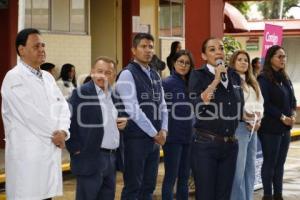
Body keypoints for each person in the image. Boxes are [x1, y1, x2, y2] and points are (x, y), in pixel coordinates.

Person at [1, 28, 71, 200]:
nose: (41, 49)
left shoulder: (47, 77)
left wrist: (63, 131)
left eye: (43, 45)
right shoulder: (13, 78)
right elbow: (30, 115)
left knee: (46, 195)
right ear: (21, 50)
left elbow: (62, 106)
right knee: (28, 194)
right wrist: (56, 134)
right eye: (36, 46)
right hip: (28, 154)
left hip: (49, 150)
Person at [188, 37, 244, 200]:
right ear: (204, 56)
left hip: (230, 145)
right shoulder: (197, 75)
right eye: (212, 49)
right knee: (206, 195)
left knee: (223, 195)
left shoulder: (234, 75)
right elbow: (196, 106)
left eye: (220, 48)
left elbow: (238, 105)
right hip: (206, 145)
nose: (218, 52)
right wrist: (216, 80)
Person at [66, 56, 127, 200]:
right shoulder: (80, 94)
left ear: (114, 75)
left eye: (108, 72)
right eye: (100, 71)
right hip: (90, 157)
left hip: (111, 158)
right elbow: (67, 121)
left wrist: (125, 122)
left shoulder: (114, 95)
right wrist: (74, 148)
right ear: (92, 72)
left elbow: (121, 115)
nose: (103, 76)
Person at [115, 32, 168, 200]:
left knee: (149, 186)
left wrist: (164, 130)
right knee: (133, 186)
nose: (148, 50)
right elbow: (133, 109)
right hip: (136, 140)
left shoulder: (155, 74)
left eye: (151, 47)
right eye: (143, 46)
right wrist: (155, 133)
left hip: (154, 140)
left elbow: (163, 105)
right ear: (133, 50)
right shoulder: (127, 74)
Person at [257, 45, 297, 200]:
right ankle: (267, 195)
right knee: (270, 163)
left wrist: (292, 115)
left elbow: (292, 100)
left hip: (285, 129)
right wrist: (282, 117)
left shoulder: (285, 78)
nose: (283, 59)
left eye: (284, 56)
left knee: (280, 163)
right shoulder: (263, 79)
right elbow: (265, 104)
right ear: (270, 58)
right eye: (279, 56)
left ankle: (278, 194)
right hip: (270, 128)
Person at [229, 50, 264, 200]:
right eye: (240, 60)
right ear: (233, 63)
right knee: (238, 171)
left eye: (246, 60)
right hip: (240, 128)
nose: (243, 62)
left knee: (249, 169)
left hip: (254, 129)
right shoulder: (230, 81)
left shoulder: (253, 81)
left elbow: (261, 103)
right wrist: (246, 118)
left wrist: (258, 120)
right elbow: (230, 105)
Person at [161, 49, 194, 200]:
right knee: (170, 177)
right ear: (174, 63)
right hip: (173, 137)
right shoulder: (167, 83)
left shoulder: (191, 83)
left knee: (184, 177)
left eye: (187, 63)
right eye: (181, 62)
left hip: (189, 136)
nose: (184, 65)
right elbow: (161, 110)